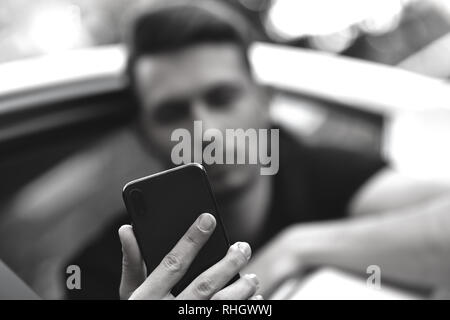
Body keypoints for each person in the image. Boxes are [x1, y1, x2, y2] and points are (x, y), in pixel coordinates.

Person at [66, 0, 450, 299]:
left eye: (222, 98)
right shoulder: (110, 266)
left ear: (264, 101)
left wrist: (296, 247)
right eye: (172, 112)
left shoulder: (316, 173)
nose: (206, 132)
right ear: (144, 132)